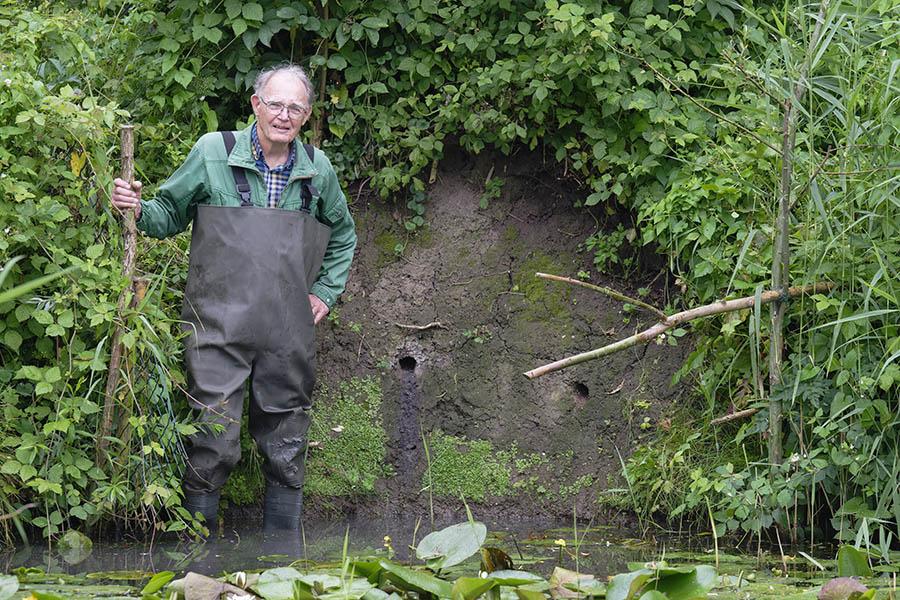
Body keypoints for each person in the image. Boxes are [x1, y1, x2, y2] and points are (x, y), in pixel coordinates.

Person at [110, 64, 357, 532]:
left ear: (306, 116)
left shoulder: (317, 169)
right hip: (215, 327)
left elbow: (343, 235)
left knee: (286, 441)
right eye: (275, 104)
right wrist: (137, 207)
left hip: (288, 331)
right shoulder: (213, 152)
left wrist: (325, 291)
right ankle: (195, 551)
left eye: (295, 107)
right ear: (255, 105)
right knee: (212, 435)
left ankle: (281, 555)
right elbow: (167, 214)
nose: (284, 115)